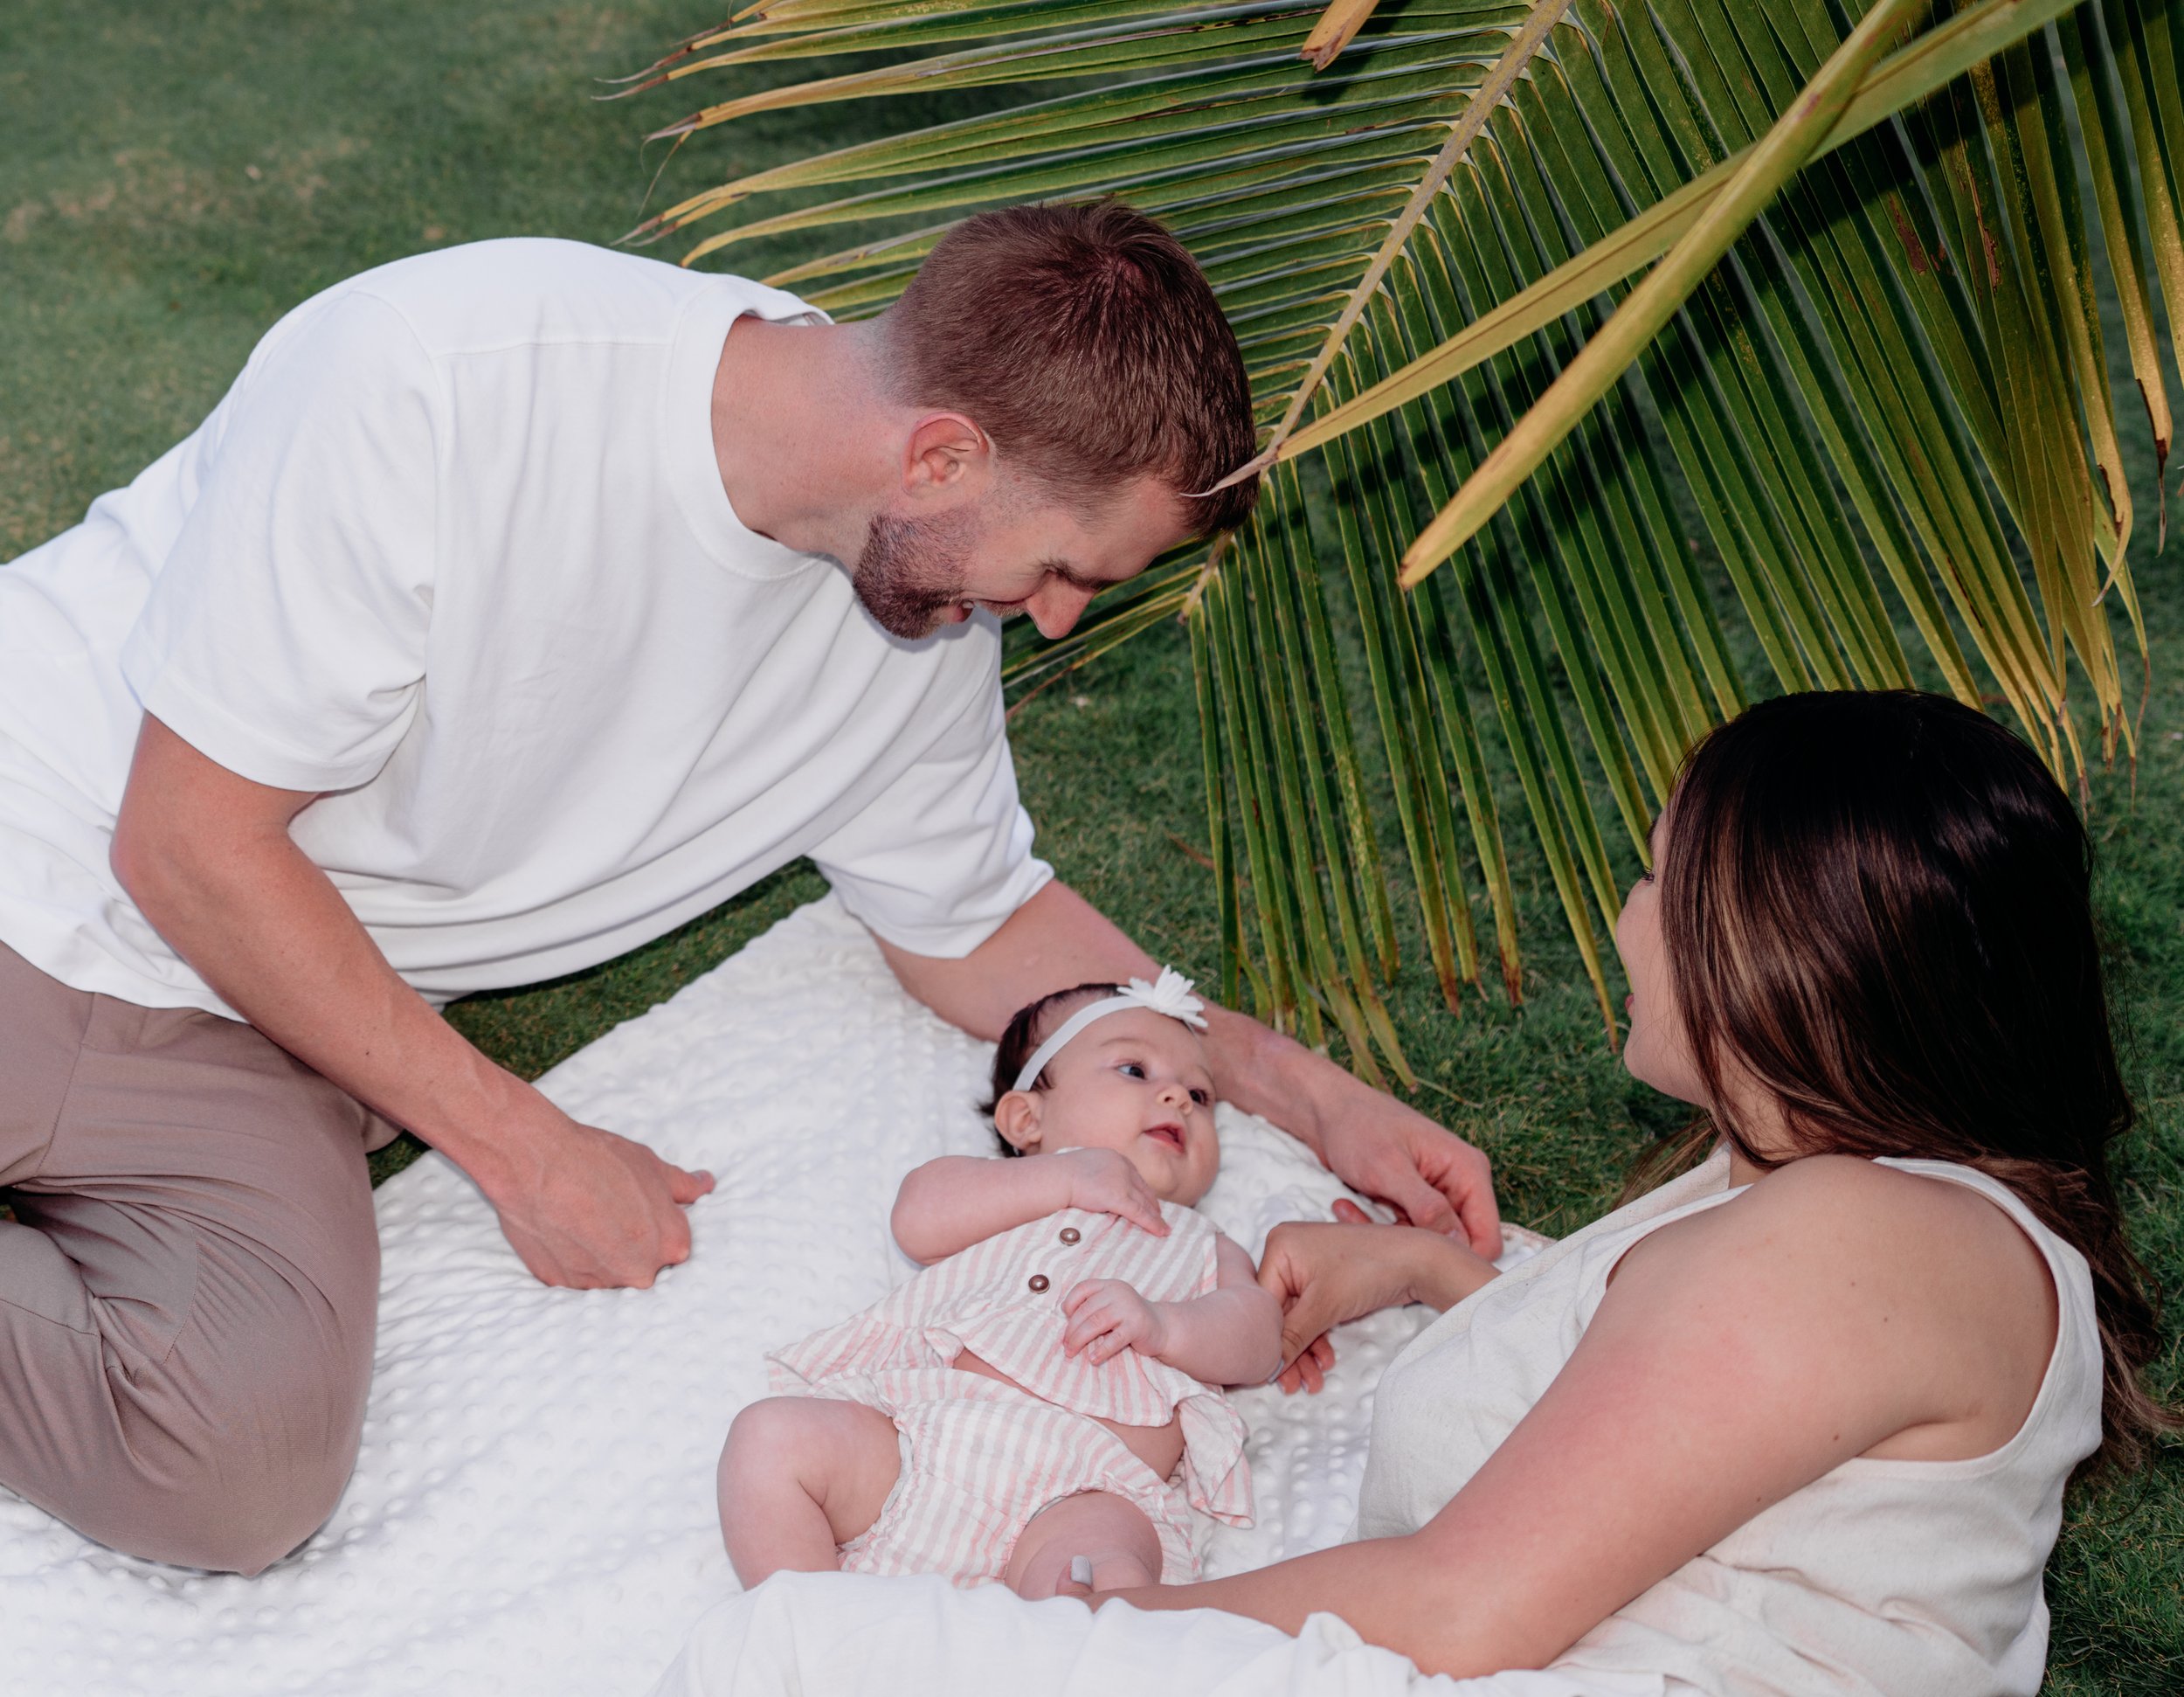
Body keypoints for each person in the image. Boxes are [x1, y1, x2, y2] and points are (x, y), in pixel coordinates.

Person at [0, 200, 1499, 1576]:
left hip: (272, 1029)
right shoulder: (440, 376)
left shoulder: (912, 618)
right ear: (941, 457)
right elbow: (187, 845)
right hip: (44, 858)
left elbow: (977, 920)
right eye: (1062, 569)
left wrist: (1315, 1100)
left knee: (237, 1471)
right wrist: (521, 1147)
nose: (1048, 624)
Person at [648, 689, 2174, 1697]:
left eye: (1654, 878)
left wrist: (1054, 1639)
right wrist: (1418, 1279)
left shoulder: (1857, 1237)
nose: (1625, 914)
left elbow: (1462, 1608)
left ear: (1769, 955)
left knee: (791, 1652)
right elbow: (1688, 1416)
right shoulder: (1848, 1205)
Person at [721, 970, 1283, 1598]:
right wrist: (1063, 1180)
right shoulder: (1013, 1190)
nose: (1178, 1097)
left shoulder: (1203, 1243)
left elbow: (1259, 1338)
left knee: (1102, 1575)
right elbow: (917, 1216)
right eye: (1134, 1070)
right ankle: (811, 1633)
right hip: (920, 1438)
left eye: (1200, 1096)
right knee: (768, 1439)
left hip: (1086, 1487)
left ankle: (1070, 1656)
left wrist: (1169, 1325)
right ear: (1025, 1121)